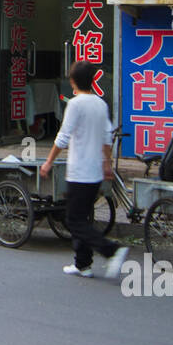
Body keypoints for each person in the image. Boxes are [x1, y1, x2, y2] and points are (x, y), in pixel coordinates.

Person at [40, 60, 128, 279]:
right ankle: (83, 264)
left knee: (73, 220)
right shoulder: (100, 104)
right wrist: (107, 164)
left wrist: (48, 161)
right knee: (83, 217)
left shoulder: (76, 104)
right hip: (96, 171)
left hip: (80, 171)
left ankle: (111, 250)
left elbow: (63, 137)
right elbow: (107, 139)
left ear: (72, 81)